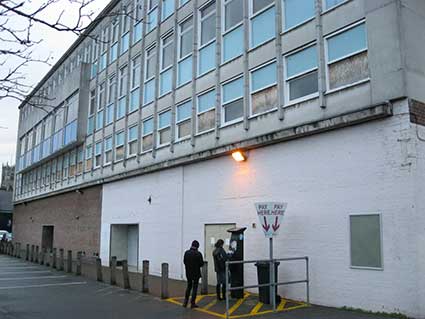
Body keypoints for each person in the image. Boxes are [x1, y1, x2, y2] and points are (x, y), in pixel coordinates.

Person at [183, 240, 204, 308]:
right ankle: (192, 303)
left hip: (188, 273)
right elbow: (201, 264)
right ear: (197, 246)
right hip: (196, 273)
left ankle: (185, 302)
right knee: (195, 288)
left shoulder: (186, 253)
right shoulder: (198, 254)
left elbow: (184, 262)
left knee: (189, 287)